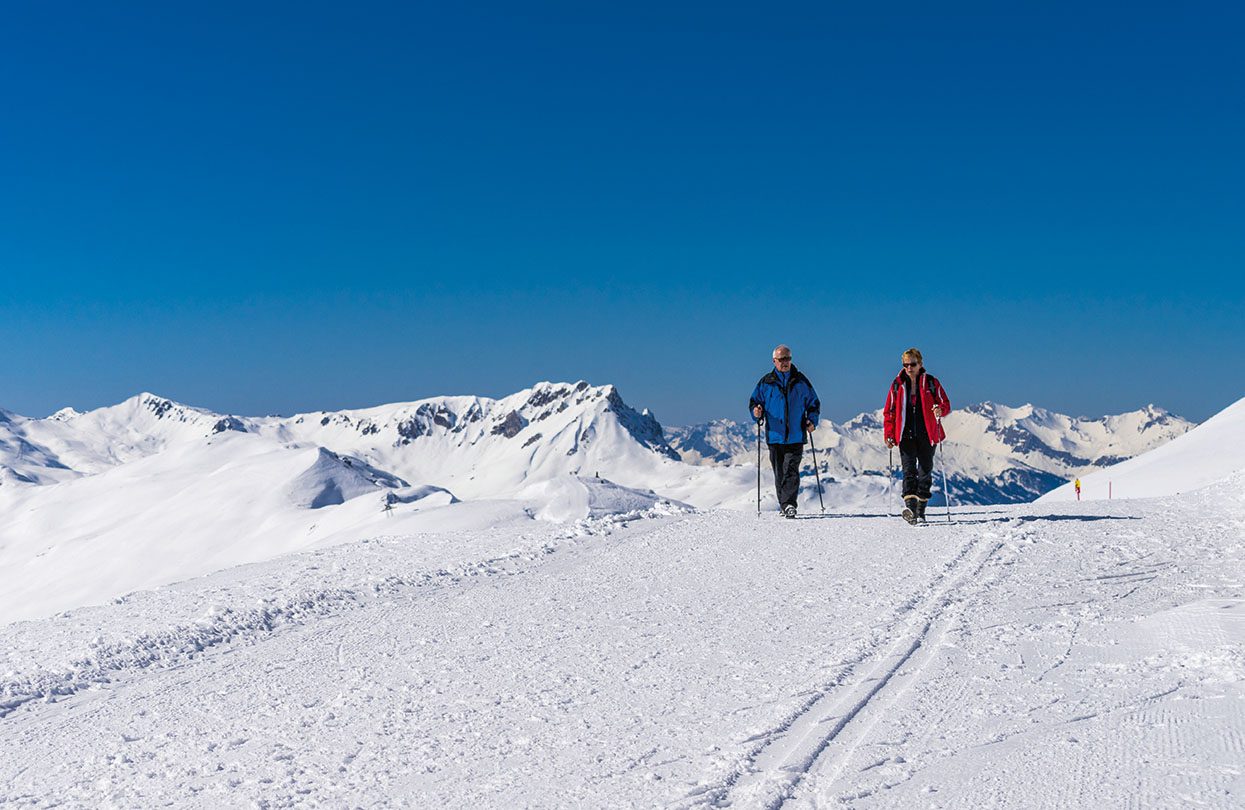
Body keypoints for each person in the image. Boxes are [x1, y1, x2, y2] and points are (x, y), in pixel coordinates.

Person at [749, 344, 821, 518]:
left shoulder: (801, 381)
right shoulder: (766, 383)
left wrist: (812, 420)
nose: (785, 362)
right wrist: (756, 412)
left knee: (791, 469)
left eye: (788, 358)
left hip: (796, 435)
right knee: (779, 472)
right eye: (781, 359)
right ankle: (784, 505)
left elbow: (814, 403)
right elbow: (754, 402)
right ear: (774, 361)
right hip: (774, 436)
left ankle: (789, 504)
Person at [882, 348, 951, 524]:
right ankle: (911, 509)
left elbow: (946, 404)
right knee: (908, 471)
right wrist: (889, 434)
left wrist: (939, 410)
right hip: (905, 433)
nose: (909, 368)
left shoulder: (931, 383)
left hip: (927, 433)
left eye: (912, 364)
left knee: (925, 471)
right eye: (905, 365)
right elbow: (889, 412)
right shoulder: (897, 385)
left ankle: (921, 510)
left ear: (920, 364)